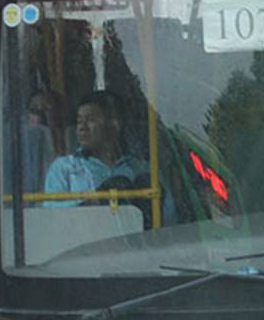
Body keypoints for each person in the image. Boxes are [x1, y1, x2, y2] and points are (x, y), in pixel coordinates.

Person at [44, 90, 174, 222]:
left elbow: (169, 218)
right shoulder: (64, 168)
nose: (82, 127)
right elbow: (51, 216)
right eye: (79, 121)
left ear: (114, 124)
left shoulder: (142, 170)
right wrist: (94, 202)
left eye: (91, 120)